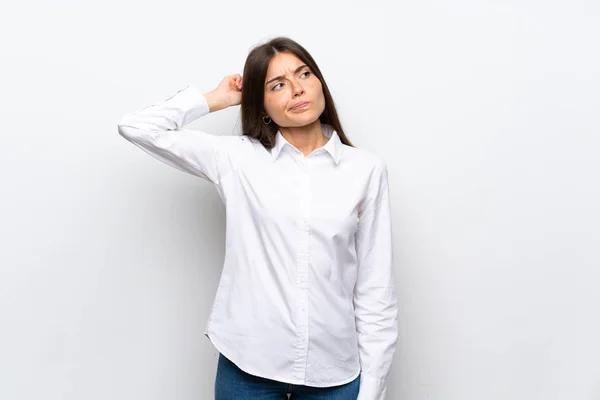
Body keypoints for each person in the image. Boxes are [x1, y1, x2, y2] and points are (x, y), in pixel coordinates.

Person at [117, 36, 398, 400]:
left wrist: (373, 387)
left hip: (335, 373)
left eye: (304, 74)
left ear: (320, 84)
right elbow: (137, 127)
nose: (297, 90)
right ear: (262, 105)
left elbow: (376, 289)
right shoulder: (236, 159)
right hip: (248, 366)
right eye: (277, 85)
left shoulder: (366, 170)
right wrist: (216, 99)